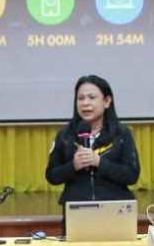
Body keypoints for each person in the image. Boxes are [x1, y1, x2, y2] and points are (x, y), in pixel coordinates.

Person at [45, 75, 140, 205]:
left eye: (92, 97)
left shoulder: (122, 134)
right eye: (80, 98)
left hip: (114, 206)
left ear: (107, 101)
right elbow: (52, 175)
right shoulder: (65, 136)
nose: (85, 103)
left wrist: (99, 162)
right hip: (76, 207)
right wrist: (73, 166)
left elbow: (132, 175)